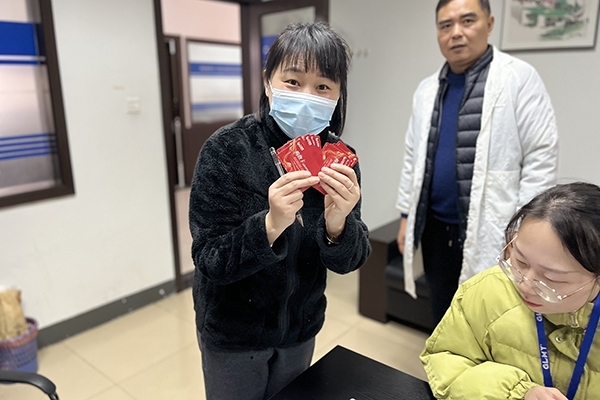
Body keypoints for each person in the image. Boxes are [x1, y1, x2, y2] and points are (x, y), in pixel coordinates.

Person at [188, 22, 370, 400]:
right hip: (234, 337)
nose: (307, 96)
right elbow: (209, 259)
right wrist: (269, 226)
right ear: (268, 82)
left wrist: (338, 226)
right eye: (293, 81)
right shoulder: (226, 150)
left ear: (339, 94)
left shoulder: (339, 159)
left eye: (323, 87)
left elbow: (349, 261)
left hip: (300, 332)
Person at [395, 0, 559, 324]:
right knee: (442, 310)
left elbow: (541, 156)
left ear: (489, 23)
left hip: (493, 227)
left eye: (467, 21)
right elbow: (412, 156)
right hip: (434, 228)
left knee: (488, 315)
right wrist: (405, 217)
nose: (456, 33)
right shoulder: (427, 90)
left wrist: (525, 230)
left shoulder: (518, 78)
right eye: (446, 25)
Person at [420, 182, 600, 399]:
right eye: (520, 261)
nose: (525, 284)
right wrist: (516, 393)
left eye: (551, 278)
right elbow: (446, 359)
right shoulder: (486, 292)